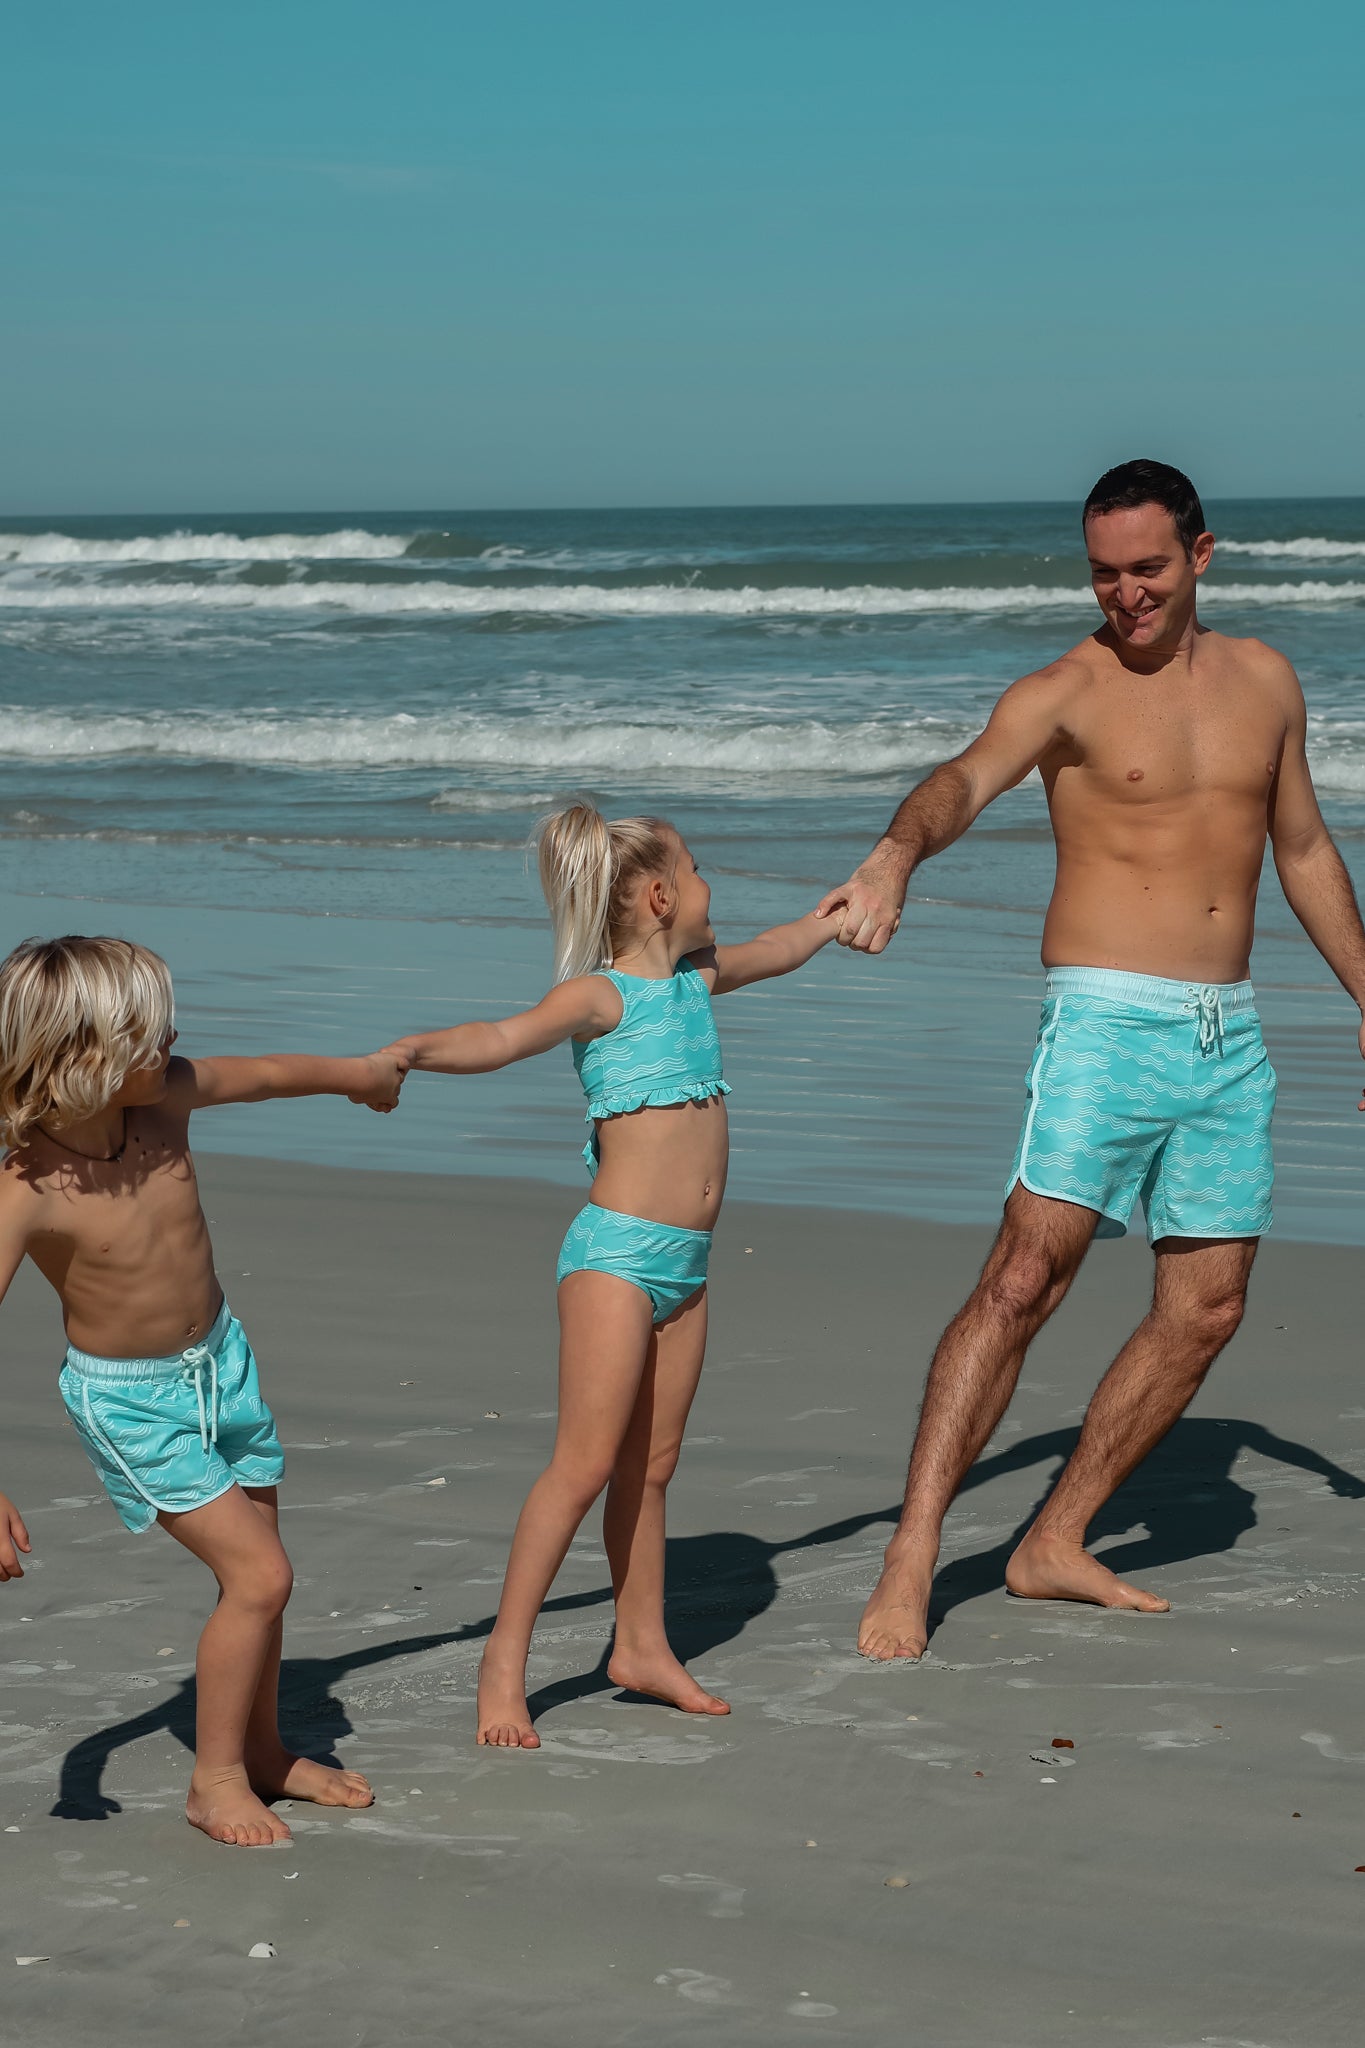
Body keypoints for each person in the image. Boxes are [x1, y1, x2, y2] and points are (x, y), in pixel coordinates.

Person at [816, 458, 1365, 1660]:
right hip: (1106, 1024)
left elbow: (1304, 848)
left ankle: (1054, 1537)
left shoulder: (1268, 681)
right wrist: (895, 857)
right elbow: (963, 779)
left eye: (1149, 568)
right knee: (1023, 1279)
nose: (1127, 593)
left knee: (1207, 1307)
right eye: (1106, 573)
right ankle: (914, 1547)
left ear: (1201, 554)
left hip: (1228, 1033)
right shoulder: (1066, 689)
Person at [383, 802, 839, 1747]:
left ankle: (639, 1645)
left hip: (687, 1268)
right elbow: (501, 1037)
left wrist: (834, 917)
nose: (712, 885)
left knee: (653, 1468)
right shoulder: (600, 997)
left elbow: (780, 949)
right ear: (661, 896)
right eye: (699, 869)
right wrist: (415, 1053)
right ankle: (503, 1660)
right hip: (616, 1261)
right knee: (584, 1465)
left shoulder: (699, 978)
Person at [0, 935, 407, 1843]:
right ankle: (214, 1780)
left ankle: (262, 1752)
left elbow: (266, 1074)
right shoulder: (24, 1187)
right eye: (149, 1032)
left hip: (224, 1364)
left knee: (264, 1573)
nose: (174, 1040)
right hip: (131, 1402)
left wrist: (363, 1075)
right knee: (259, 1576)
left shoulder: (162, 1099)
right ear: (82, 1057)